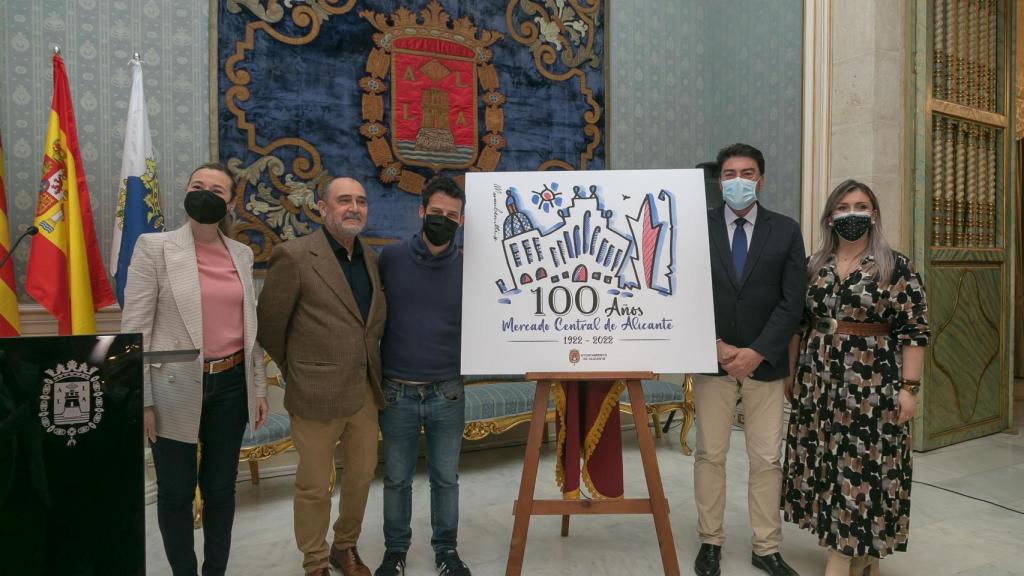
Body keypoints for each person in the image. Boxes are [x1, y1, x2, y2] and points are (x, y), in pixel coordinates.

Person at [121, 162, 269, 576]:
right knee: (175, 491)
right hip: (172, 388)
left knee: (221, 489)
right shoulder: (155, 247)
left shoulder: (242, 253)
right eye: (197, 185)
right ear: (185, 191)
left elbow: (249, 328)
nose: (205, 193)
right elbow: (135, 329)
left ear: (231, 202)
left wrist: (258, 388)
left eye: (217, 190)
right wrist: (143, 399)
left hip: (231, 386)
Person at [782, 180, 929, 576]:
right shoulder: (814, 265)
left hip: (873, 383)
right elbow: (799, 324)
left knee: (864, 466)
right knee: (827, 463)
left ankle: (840, 557)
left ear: (874, 214)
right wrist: (792, 374)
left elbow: (914, 331)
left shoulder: (896, 267)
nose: (852, 213)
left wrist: (910, 389)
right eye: (843, 206)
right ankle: (866, 555)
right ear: (830, 217)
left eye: (861, 205)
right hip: (818, 380)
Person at [257, 177, 386, 576]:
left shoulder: (370, 257)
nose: (354, 208)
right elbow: (270, 326)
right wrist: (299, 371)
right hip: (314, 394)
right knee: (314, 485)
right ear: (321, 207)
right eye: (344, 200)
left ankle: (344, 547)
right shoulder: (294, 256)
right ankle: (315, 560)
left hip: (364, 392)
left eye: (361, 201)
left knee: (362, 477)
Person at [693, 143, 805, 576]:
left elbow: (792, 301)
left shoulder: (785, 230)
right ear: (719, 180)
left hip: (767, 362)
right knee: (709, 455)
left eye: (747, 172)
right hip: (712, 360)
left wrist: (758, 351)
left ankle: (766, 546)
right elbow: (685, 294)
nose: (738, 180)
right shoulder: (697, 227)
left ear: (760, 179)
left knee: (766, 459)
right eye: (729, 174)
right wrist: (715, 345)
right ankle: (710, 542)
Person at [374, 176, 471, 576]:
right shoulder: (389, 259)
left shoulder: (471, 268)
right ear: (420, 212)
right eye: (436, 213)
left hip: (446, 391)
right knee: (396, 478)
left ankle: (446, 551)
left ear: (461, 221)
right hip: (396, 390)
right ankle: (395, 551)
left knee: (445, 479)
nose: (443, 220)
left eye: (452, 215)